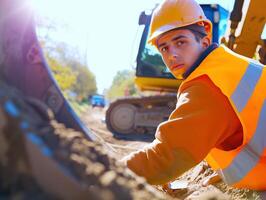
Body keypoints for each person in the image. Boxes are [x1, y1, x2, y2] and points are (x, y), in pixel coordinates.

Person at [124, 0, 266, 191]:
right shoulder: (226, 67)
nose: (171, 54)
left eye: (180, 42)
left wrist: (108, 169)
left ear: (205, 40)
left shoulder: (209, 85)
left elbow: (165, 155)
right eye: (164, 48)